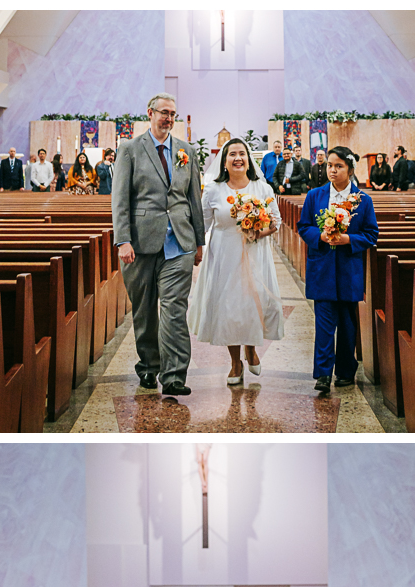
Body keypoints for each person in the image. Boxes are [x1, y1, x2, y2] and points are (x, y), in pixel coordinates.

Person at [112, 93, 204, 396]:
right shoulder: (129, 150)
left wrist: (199, 241)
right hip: (140, 243)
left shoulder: (186, 151)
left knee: (175, 308)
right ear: (150, 113)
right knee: (145, 311)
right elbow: (120, 200)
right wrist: (123, 240)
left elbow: (194, 199)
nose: (169, 118)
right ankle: (149, 366)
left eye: (173, 113)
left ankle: (175, 374)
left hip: (179, 241)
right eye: (164, 113)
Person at [188, 137, 283, 386]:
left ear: (249, 159)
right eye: (232, 154)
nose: (238, 158)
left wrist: (258, 232)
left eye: (242, 153)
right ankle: (235, 362)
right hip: (224, 253)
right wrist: (194, 249)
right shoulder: (213, 190)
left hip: (254, 253)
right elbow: (203, 225)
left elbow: (276, 221)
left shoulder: (262, 188)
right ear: (224, 160)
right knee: (228, 307)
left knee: (252, 302)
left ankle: (251, 349)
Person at [297, 145, 379, 393]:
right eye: (330, 165)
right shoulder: (315, 196)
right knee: (323, 324)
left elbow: (371, 234)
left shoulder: (363, 200)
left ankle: (345, 371)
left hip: (348, 269)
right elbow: (303, 226)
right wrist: (320, 236)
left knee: (347, 324)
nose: (332, 170)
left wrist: (349, 240)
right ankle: (323, 373)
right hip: (321, 267)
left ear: (350, 170)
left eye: (339, 166)